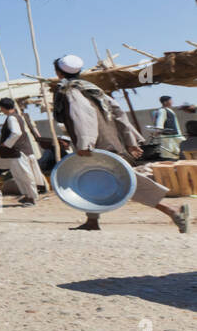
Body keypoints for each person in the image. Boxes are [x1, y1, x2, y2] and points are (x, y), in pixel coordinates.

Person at [51, 54, 189, 233]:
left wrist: (85, 143)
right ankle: (92, 221)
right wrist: (130, 141)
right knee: (93, 177)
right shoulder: (92, 88)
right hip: (109, 140)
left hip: (94, 143)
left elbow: (82, 117)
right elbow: (118, 113)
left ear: (58, 72)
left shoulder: (70, 91)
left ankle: (173, 211)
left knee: (125, 180)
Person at [0, 97, 42, 206]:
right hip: (20, 151)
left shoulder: (12, 118)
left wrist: (6, 144)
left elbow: (16, 133)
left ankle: (31, 197)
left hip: (18, 152)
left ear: (3, 108)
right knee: (20, 175)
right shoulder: (17, 117)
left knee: (25, 175)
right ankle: (27, 196)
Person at [152, 95, 192, 160]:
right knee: (170, 150)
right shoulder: (162, 110)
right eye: (170, 100)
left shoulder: (169, 110)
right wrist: (158, 130)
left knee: (181, 146)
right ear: (165, 102)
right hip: (169, 134)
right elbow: (160, 120)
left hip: (175, 133)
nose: (172, 102)